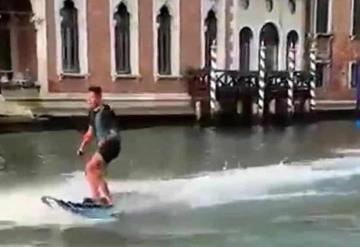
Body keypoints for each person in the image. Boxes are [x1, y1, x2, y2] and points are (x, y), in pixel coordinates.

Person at [77, 86, 121, 206]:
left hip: (112, 144)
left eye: (92, 97)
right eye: (89, 98)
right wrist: (82, 147)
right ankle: (108, 201)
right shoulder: (92, 113)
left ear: (99, 97)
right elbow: (90, 133)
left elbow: (114, 130)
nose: (89, 100)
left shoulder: (107, 112)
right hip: (104, 146)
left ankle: (95, 198)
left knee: (91, 167)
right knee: (95, 172)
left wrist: (106, 139)